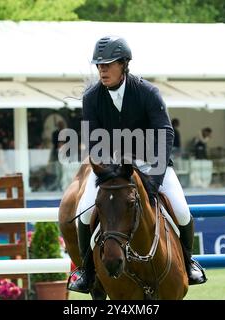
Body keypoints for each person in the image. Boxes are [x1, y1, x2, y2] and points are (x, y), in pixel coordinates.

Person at [68, 36, 207, 294]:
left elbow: (165, 133)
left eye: (108, 64)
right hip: (111, 169)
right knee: (86, 213)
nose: (102, 70)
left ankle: (188, 264)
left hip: (151, 163)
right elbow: (93, 140)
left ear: (124, 64)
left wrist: (154, 176)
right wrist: (108, 173)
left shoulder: (147, 92)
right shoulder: (91, 98)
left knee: (182, 210)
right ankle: (87, 272)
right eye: (99, 65)